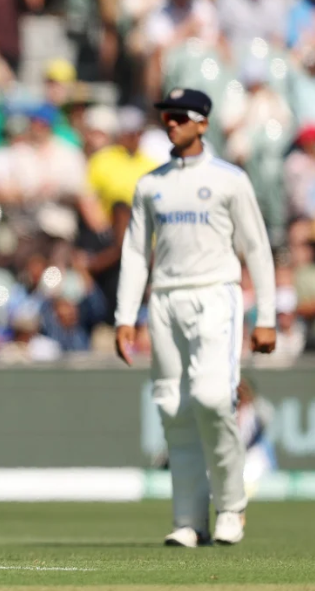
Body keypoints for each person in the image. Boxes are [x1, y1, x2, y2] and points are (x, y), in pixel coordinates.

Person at [115, 88, 276, 548]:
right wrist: (126, 316)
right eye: (166, 117)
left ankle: (231, 507)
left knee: (211, 398)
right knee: (173, 408)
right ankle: (189, 519)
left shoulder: (230, 180)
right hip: (164, 299)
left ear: (203, 124)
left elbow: (257, 249)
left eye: (181, 117)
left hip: (215, 295)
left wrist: (266, 316)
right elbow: (134, 254)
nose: (171, 124)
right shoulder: (151, 184)